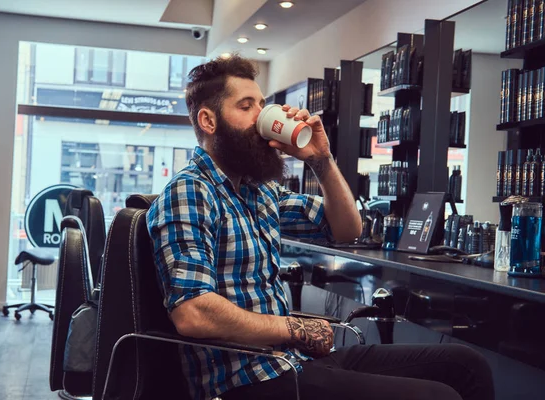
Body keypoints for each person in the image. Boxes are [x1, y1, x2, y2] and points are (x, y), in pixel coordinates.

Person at [146, 55, 494, 400]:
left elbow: (346, 228)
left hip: (293, 363)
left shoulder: (259, 191)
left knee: (465, 364)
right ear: (208, 120)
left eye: (262, 105)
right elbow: (193, 314)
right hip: (248, 382)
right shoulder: (191, 191)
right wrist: (295, 329)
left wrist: (320, 158)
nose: (260, 117)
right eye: (246, 106)